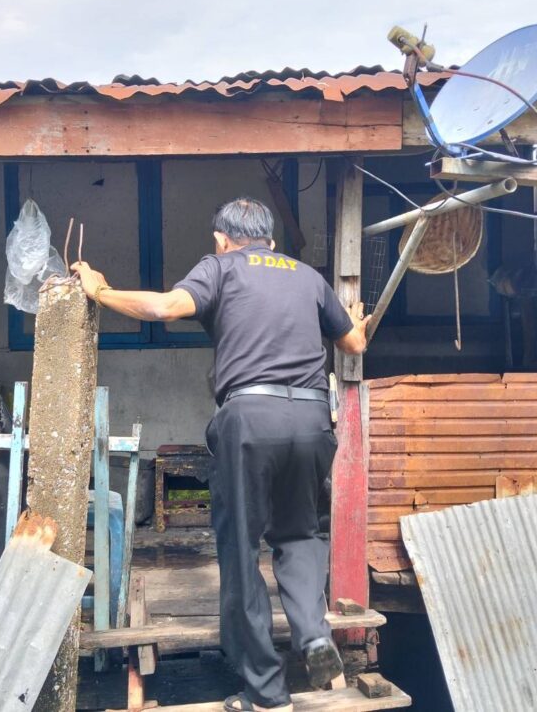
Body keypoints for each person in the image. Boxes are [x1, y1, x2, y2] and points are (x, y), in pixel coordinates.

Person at [70, 197, 369, 712]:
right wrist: (357, 324)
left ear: (222, 239)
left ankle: (267, 695)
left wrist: (100, 291)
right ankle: (314, 636)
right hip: (311, 418)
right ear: (271, 240)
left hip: (250, 417)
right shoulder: (307, 277)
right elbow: (354, 345)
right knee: (300, 534)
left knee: (240, 549)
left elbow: (165, 308)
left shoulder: (220, 267)